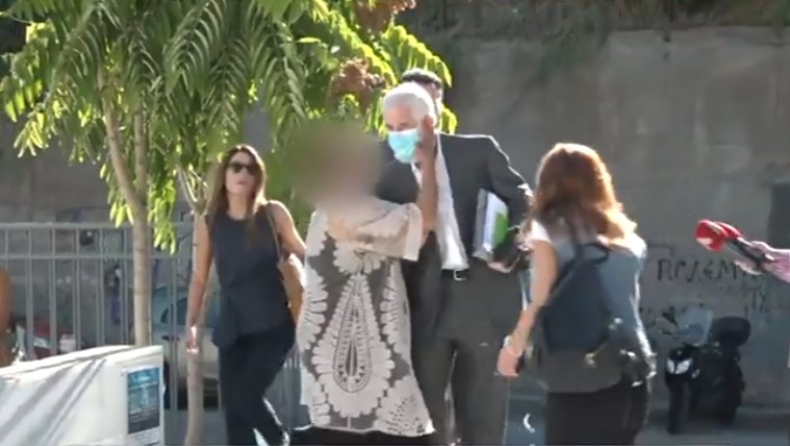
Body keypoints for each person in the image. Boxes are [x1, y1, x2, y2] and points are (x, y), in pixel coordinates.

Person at [377, 81, 531, 445]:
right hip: (425, 305)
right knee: (426, 420)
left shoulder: (477, 152)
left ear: (428, 122)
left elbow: (524, 201)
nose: (396, 136)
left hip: (482, 298)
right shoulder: (386, 171)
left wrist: (513, 244)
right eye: (390, 127)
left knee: (482, 419)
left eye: (404, 126)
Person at [497, 143, 653, 445]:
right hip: (632, 365)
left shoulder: (547, 229)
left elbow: (540, 298)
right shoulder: (626, 235)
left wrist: (513, 349)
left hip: (578, 366)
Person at [296, 120, 437, 445]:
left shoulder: (327, 210)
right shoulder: (352, 209)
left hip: (338, 359)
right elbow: (424, 222)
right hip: (361, 363)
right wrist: (428, 161)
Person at [184, 144, 306, 446]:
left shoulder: (273, 213)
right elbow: (200, 277)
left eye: (250, 169)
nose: (243, 173)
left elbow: (304, 254)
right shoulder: (211, 222)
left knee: (245, 397)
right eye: (236, 166)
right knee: (234, 415)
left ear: (257, 178)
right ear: (224, 175)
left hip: (273, 325)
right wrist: (192, 322)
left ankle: (281, 440)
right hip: (233, 328)